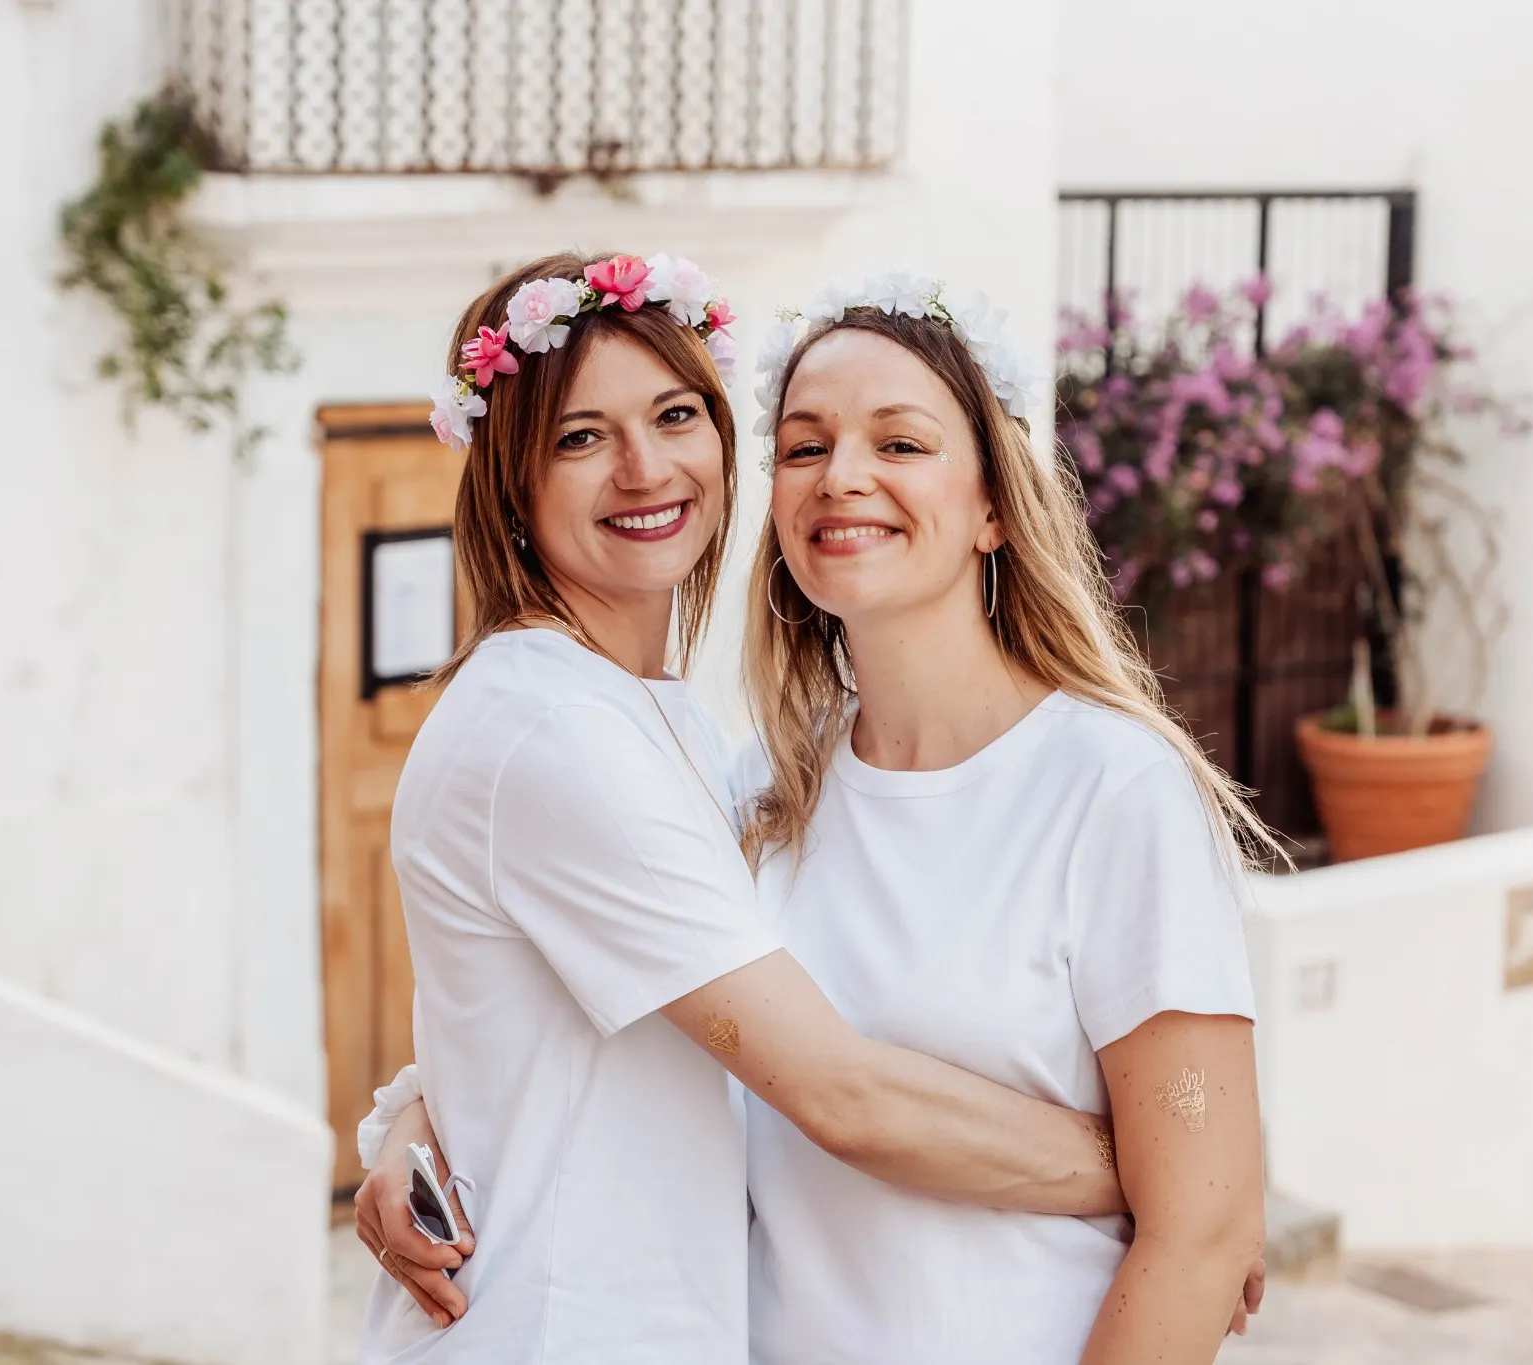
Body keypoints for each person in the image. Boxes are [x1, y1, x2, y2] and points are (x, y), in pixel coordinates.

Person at [350, 251, 1135, 1365]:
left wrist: (416, 1120)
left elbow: (545, 1028)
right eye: (579, 438)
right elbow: (836, 1091)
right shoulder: (555, 730)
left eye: (676, 415)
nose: (642, 468)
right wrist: (1170, 1182)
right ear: (510, 485)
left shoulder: (676, 734)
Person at [738, 272, 1274, 1365]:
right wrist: (417, 1114)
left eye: (899, 444)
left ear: (991, 506)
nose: (842, 477)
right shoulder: (756, 794)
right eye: (803, 447)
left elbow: (1202, 1233)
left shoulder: (1110, 792)